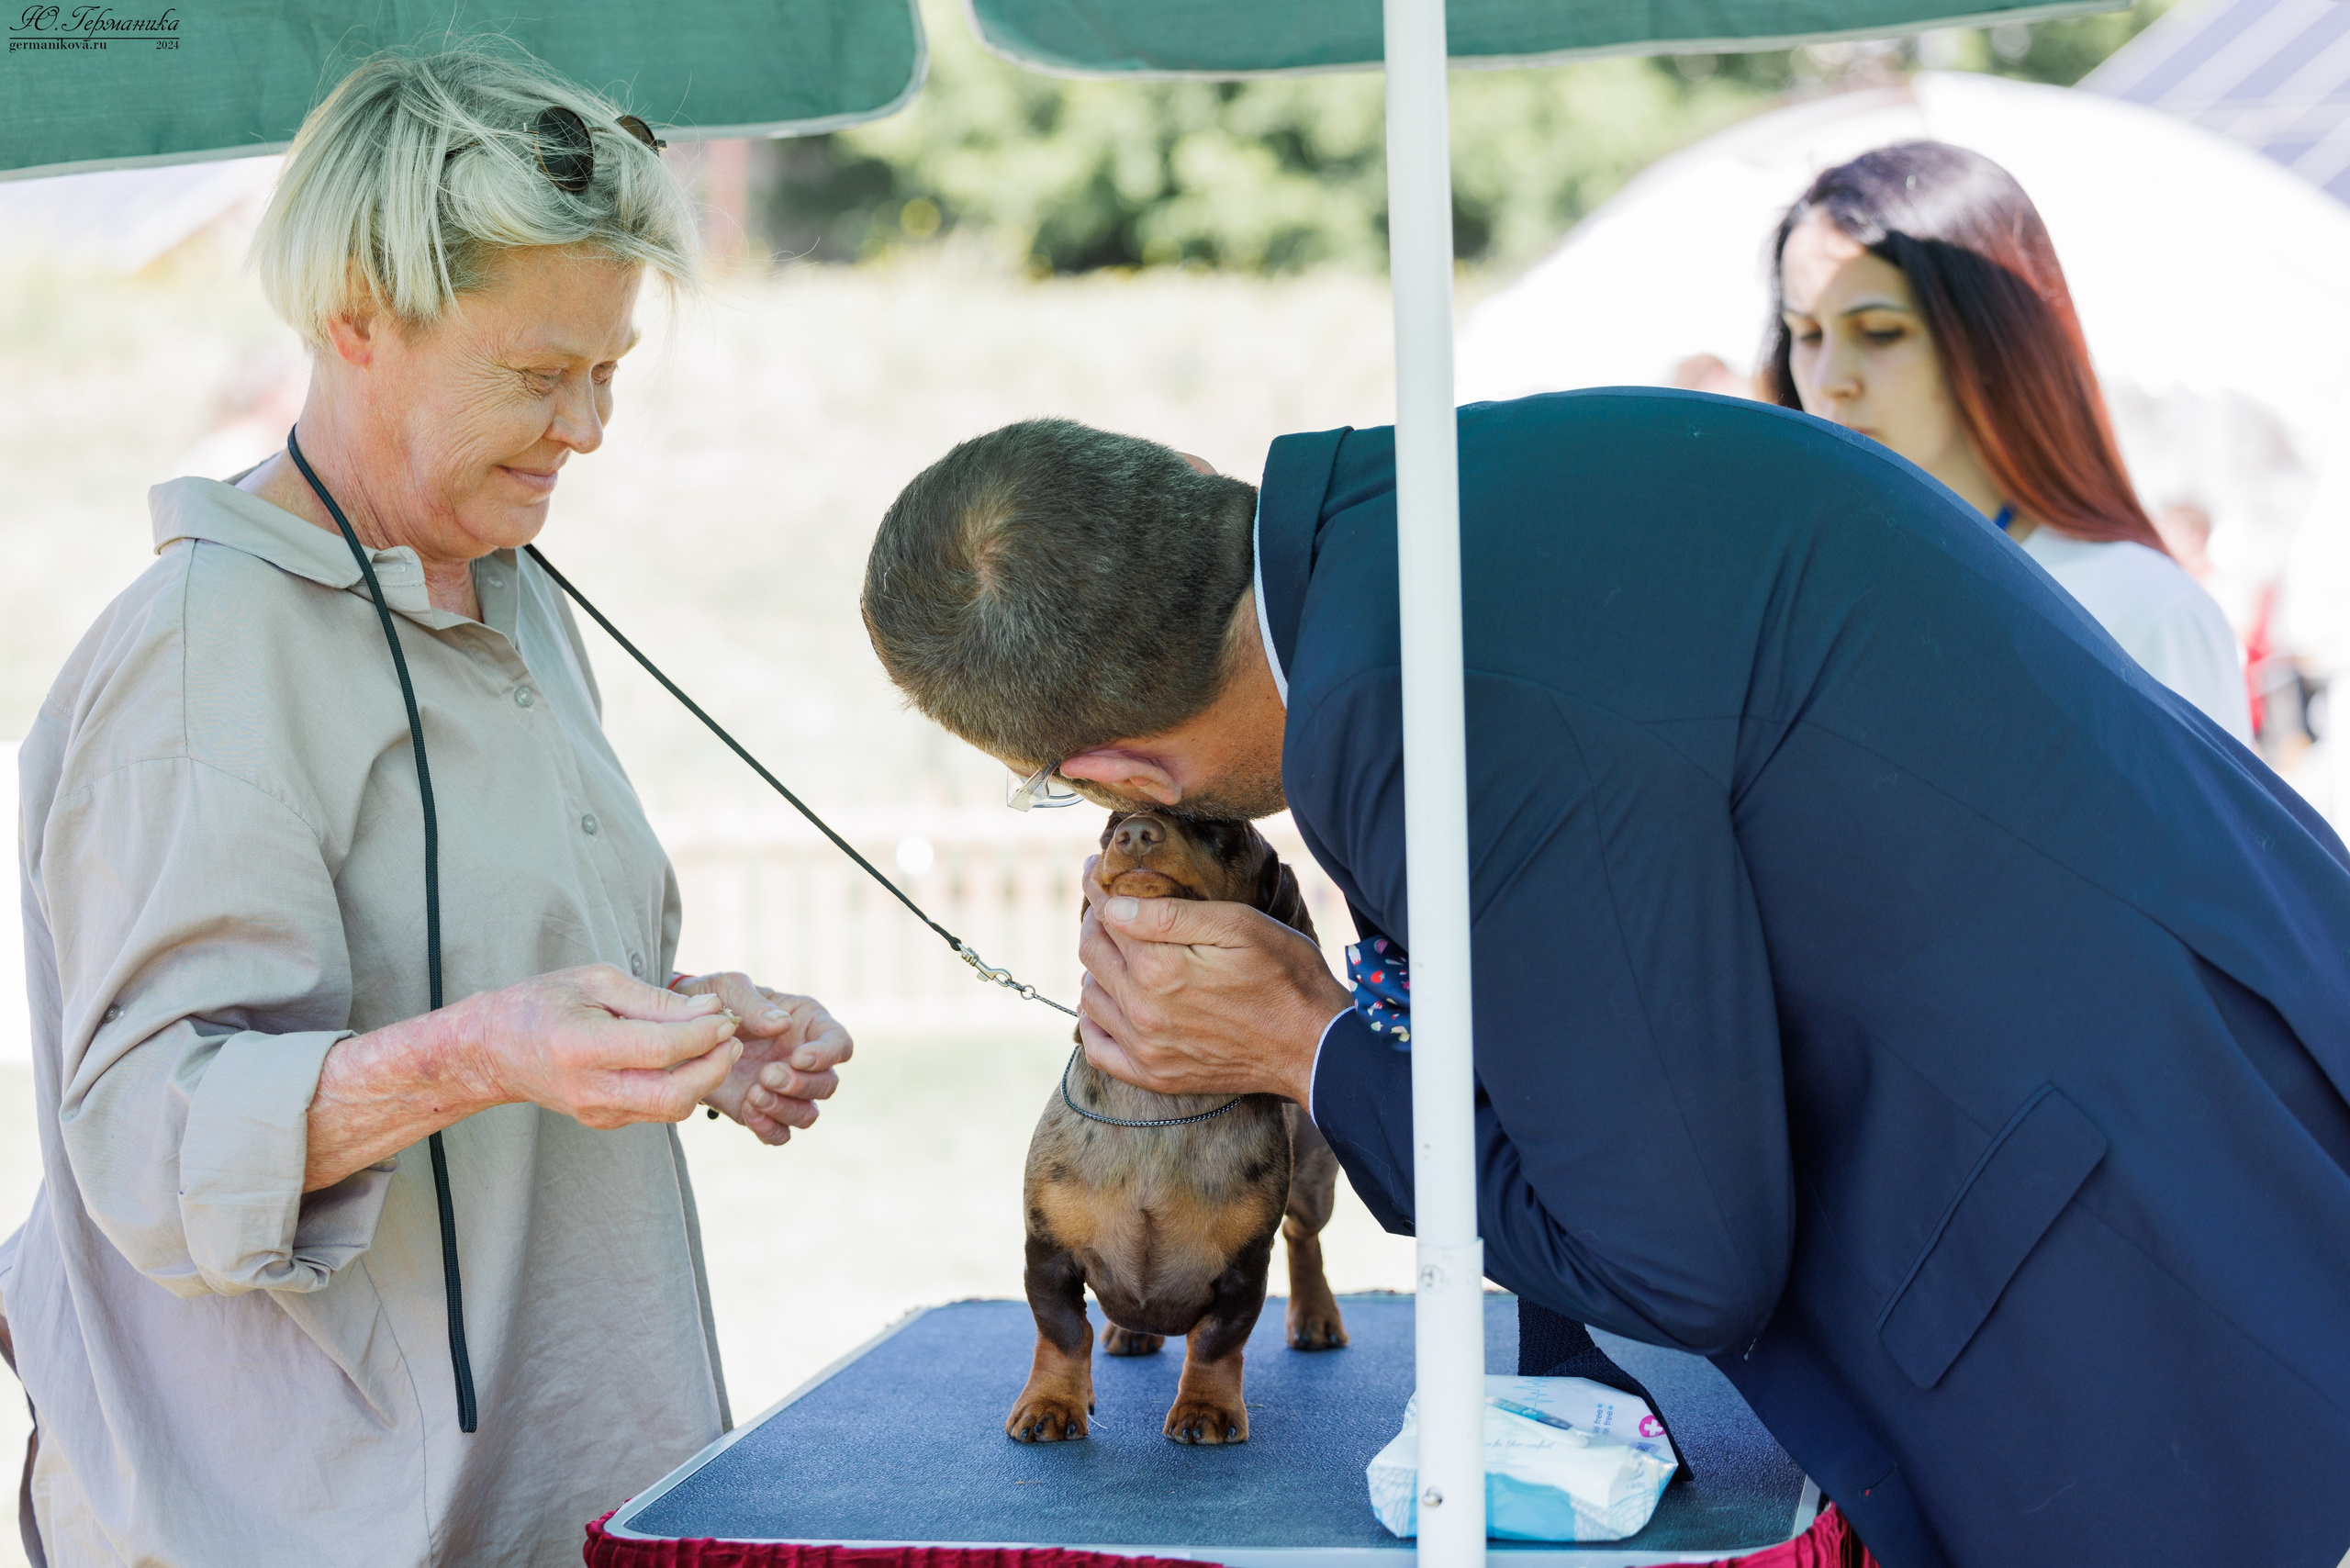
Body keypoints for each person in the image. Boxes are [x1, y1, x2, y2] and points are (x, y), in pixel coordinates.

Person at [861, 407, 2350, 1568]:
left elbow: (1682, 1257)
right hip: (2251, 1061)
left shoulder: (1449, 709)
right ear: (1188, 479)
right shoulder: (1447, 496)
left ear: (1115, 776)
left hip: (2167, 1290)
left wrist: (1309, 1046)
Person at [0, 50, 855, 1566]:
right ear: (357, 320)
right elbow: (143, 1136)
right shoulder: (197, 661)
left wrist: (687, 1030)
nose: (587, 426)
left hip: (566, 1491)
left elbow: (476, 966)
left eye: (612, 370)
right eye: (538, 374)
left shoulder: (510, 586)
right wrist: (482, 1052)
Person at [1766, 141, 2252, 743]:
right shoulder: (1793, 609)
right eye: (1806, 334)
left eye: (1880, 332)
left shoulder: (2140, 613)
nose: (1830, 381)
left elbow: (2208, 839)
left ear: (1990, 339)